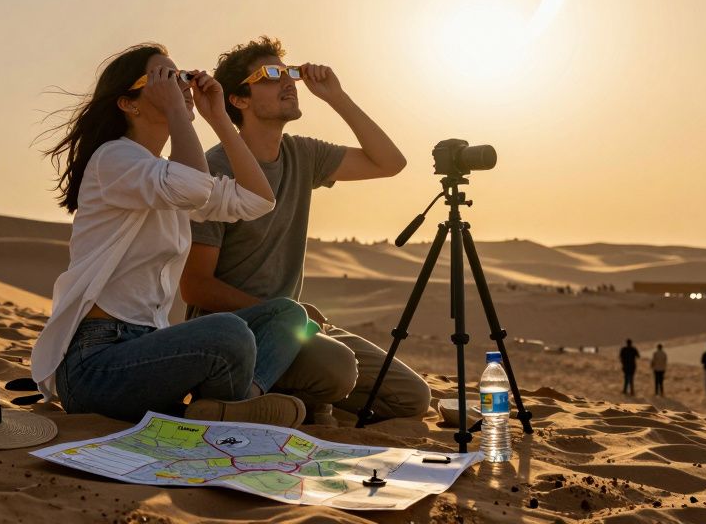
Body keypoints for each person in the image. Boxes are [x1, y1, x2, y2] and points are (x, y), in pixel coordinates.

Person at [29, 43, 308, 426]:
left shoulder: (166, 175)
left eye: (182, 76)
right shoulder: (113, 159)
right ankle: (233, 409)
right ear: (129, 103)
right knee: (229, 332)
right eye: (166, 78)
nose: (181, 85)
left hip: (145, 349)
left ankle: (239, 403)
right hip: (95, 365)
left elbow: (257, 200)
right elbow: (191, 187)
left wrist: (220, 119)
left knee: (288, 314)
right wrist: (182, 112)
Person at [181, 37, 429, 424]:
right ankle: (279, 395)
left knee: (412, 396)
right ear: (239, 100)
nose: (289, 83)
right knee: (337, 368)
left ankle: (299, 396)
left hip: (297, 325)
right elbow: (195, 287)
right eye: (271, 75)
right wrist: (281, 313)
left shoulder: (302, 155)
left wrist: (337, 97)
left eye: (290, 73)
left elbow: (390, 162)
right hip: (236, 330)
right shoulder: (216, 171)